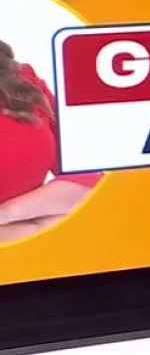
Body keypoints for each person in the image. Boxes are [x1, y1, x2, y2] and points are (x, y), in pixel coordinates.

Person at [0, 38, 102, 243]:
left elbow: (86, 178)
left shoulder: (21, 80)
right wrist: (39, 226)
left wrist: (10, 213)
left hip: (36, 251)